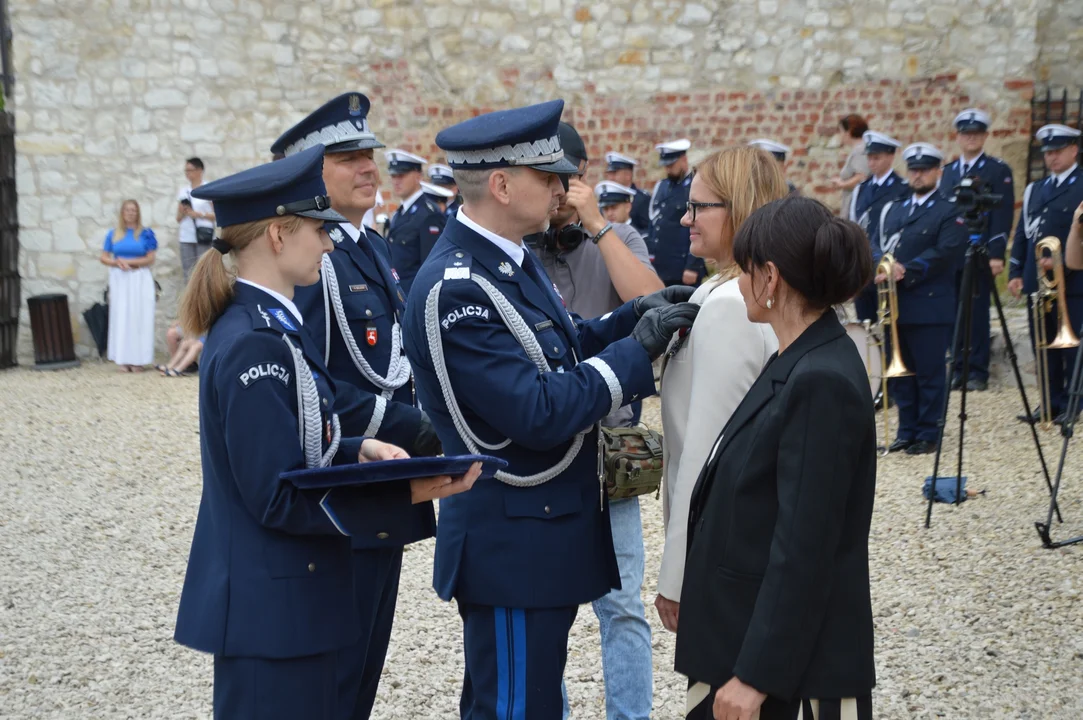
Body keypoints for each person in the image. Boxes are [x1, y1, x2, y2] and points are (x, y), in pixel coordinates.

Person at [402, 99, 700, 719]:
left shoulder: (507, 257)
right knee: (515, 707)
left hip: (539, 534)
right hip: (512, 541)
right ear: (503, 185)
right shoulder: (457, 285)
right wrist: (633, 358)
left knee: (528, 700)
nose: (563, 188)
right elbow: (536, 408)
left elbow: (561, 346)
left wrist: (631, 318)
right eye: (548, 176)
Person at [172, 144, 480, 720]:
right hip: (274, 612)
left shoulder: (270, 323)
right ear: (278, 235)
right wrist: (404, 490)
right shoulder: (253, 341)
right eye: (319, 229)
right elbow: (273, 492)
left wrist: (353, 447)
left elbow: (288, 447)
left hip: (291, 602)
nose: (331, 242)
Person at [270, 92, 441, 720]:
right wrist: (416, 427)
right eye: (347, 157)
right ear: (312, 172)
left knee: (364, 664)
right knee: (335, 675)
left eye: (368, 153)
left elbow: (391, 363)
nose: (368, 166)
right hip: (342, 483)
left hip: (379, 481)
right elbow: (307, 381)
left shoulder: (370, 246)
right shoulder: (316, 257)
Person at [677, 195, 876, 720]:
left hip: (789, 678)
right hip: (740, 642)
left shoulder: (821, 381)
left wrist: (755, 676)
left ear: (770, 278)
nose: (737, 282)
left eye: (744, 270)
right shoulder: (797, 357)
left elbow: (804, 548)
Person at [531, 121, 664, 720]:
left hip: (613, 442)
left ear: (581, 179)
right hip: (543, 439)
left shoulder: (617, 235)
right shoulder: (516, 248)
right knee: (546, 602)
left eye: (565, 181)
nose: (556, 194)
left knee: (622, 603)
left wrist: (598, 225)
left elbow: (653, 300)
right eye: (546, 181)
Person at [655, 146, 788, 638]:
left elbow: (709, 449)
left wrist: (678, 572)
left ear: (740, 207)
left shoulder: (733, 302)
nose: (687, 218)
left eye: (699, 207)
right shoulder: (733, 290)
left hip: (722, 546)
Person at [875, 143, 967, 454]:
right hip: (895, 305)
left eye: (924, 169)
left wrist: (905, 269)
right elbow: (875, 243)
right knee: (901, 374)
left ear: (938, 172)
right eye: (913, 169)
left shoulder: (949, 210)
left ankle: (928, 433)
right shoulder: (895, 208)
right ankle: (906, 430)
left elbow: (946, 252)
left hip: (928, 304)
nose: (917, 175)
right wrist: (880, 264)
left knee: (929, 374)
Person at [1009, 124, 1083, 425]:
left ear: (1074, 150)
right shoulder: (1035, 189)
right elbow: (1025, 234)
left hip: (1074, 280)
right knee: (1044, 343)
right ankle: (1050, 403)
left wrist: (1060, 262)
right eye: (1048, 152)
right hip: (1037, 279)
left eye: (1058, 151)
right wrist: (1016, 271)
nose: (1052, 158)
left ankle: (1074, 403)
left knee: (1072, 344)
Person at [939, 109, 1015, 393]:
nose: (970, 138)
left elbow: (1002, 214)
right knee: (953, 311)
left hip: (981, 250)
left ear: (985, 136)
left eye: (976, 133)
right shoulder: (947, 172)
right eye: (965, 133)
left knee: (978, 312)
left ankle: (977, 371)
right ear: (958, 137)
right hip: (952, 254)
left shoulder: (997, 170)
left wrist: (997, 253)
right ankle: (958, 367)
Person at [851, 131, 909, 323]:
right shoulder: (862, 188)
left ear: (891, 156)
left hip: (887, 260)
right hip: (863, 262)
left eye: (877, 157)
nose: (872, 162)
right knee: (864, 321)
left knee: (887, 320)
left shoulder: (902, 188)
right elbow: (854, 222)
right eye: (870, 157)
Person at [99, 199, 158, 372]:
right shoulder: (113, 234)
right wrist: (116, 263)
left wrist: (129, 262)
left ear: (138, 213)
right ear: (122, 213)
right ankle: (122, 359)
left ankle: (138, 360)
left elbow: (150, 258)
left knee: (139, 316)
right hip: (120, 279)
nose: (131, 213)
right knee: (122, 316)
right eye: (127, 210)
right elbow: (104, 257)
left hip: (139, 276)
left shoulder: (145, 234)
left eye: (134, 210)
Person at [385, 149, 447, 293]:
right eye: (393, 176)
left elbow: (431, 268)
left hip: (414, 295)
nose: (396, 181)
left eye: (402, 175)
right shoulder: (400, 212)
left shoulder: (428, 214)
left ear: (418, 176)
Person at [648, 138, 706, 286]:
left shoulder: (695, 185)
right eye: (665, 165)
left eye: (671, 164)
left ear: (683, 159)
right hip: (660, 267)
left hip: (682, 268)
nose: (668, 169)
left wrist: (693, 265)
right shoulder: (662, 186)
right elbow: (654, 223)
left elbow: (701, 225)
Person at [176, 157, 216, 284]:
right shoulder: (184, 191)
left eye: (190, 170)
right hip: (186, 235)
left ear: (200, 170)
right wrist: (183, 211)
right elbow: (178, 218)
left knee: (204, 271)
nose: (188, 173)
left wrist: (199, 214)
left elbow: (217, 215)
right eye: (186, 171)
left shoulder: (208, 188)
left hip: (203, 234)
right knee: (188, 271)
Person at [604, 151, 652, 236]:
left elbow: (648, 230)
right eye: (609, 174)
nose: (610, 178)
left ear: (628, 175)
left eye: (614, 173)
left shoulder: (641, 199)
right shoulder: (604, 197)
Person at [833, 114, 870, 220]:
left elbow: (861, 178)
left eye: (841, 131)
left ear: (848, 132)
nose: (840, 135)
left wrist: (842, 184)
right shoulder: (858, 149)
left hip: (856, 207)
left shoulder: (860, 150)